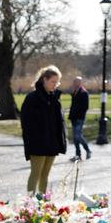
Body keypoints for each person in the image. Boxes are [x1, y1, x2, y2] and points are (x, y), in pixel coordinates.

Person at [20, 65, 66, 195]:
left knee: (45, 175)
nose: (55, 85)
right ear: (44, 79)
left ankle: (42, 202)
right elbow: (26, 123)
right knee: (36, 173)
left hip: (52, 143)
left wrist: (59, 141)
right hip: (37, 144)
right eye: (53, 81)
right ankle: (28, 203)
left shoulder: (55, 99)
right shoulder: (32, 98)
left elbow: (59, 123)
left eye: (57, 82)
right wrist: (33, 141)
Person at [67, 76, 91, 162]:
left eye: (76, 82)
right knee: (75, 137)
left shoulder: (84, 93)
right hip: (73, 117)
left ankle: (88, 150)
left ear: (80, 83)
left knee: (78, 135)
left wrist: (79, 114)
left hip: (80, 118)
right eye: (74, 82)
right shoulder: (74, 92)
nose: (74, 84)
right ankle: (78, 155)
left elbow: (86, 107)